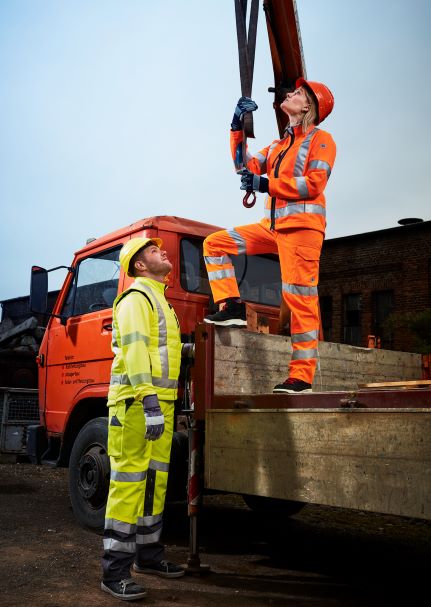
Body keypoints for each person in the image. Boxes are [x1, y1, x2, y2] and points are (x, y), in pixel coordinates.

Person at [203, 78, 336, 394]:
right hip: (273, 227)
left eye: (298, 93)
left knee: (299, 299)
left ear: (309, 107)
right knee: (215, 244)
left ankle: (301, 378)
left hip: (302, 231)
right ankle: (231, 307)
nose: (290, 94)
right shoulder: (278, 145)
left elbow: (314, 184)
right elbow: (243, 166)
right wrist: (236, 127)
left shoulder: (322, 140)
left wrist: (264, 185)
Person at [101, 237, 193, 601]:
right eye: (155, 251)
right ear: (139, 265)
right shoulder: (137, 298)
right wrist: (150, 402)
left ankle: (149, 557)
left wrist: (189, 350)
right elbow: (136, 352)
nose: (164, 252)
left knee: (154, 483)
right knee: (127, 485)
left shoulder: (160, 301)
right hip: (137, 406)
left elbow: (161, 352)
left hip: (160, 406)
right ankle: (114, 572)